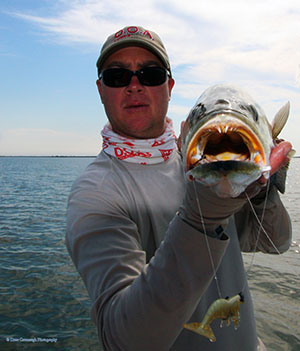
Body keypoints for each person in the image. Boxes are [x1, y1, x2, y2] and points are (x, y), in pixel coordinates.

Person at [66, 25, 292, 351]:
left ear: (169, 87)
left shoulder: (210, 159)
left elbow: (278, 242)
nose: (134, 85)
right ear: (101, 89)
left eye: (151, 74)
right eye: (117, 76)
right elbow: (124, 340)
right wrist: (207, 213)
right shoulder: (96, 193)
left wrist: (264, 193)